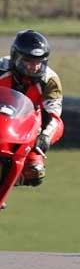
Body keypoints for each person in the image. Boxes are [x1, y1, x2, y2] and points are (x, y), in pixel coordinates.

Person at [0, 29, 63, 188]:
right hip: (2, 122)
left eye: (39, 62)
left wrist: (45, 136)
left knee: (35, 173)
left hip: (28, 131)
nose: (34, 67)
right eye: (28, 61)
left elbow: (55, 115)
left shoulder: (50, 81)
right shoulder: (1, 68)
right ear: (16, 56)